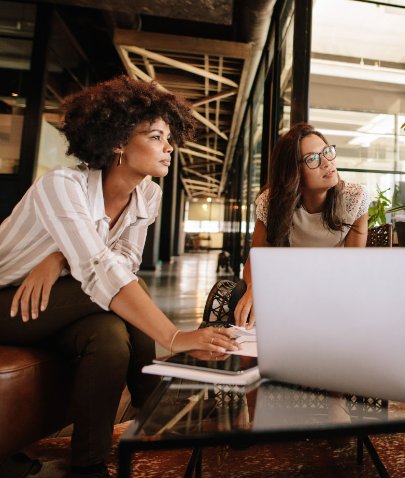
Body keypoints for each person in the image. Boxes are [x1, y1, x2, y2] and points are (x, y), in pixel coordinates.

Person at [0, 76, 239, 478]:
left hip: (57, 302)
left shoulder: (148, 195)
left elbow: (123, 261)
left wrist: (59, 258)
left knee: (109, 336)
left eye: (170, 138)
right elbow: (100, 268)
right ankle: (154, 399)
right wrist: (175, 338)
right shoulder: (62, 185)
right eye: (156, 136)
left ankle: (88, 463)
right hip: (7, 299)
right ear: (118, 142)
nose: (169, 147)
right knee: (125, 288)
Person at [232, 123, 370, 327]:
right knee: (241, 294)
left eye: (327, 152)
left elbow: (353, 266)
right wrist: (254, 286)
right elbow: (256, 259)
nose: (326, 162)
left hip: (334, 287)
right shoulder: (271, 203)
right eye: (312, 159)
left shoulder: (355, 198)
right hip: (287, 285)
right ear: (293, 171)